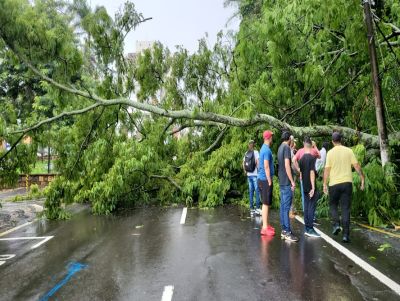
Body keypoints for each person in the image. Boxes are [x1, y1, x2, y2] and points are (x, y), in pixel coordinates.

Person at [323, 132, 365, 243]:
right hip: (347, 183)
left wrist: (324, 184)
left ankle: (336, 224)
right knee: (346, 209)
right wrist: (362, 178)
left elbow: (327, 170)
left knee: (333, 205)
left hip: (334, 184)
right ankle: (346, 235)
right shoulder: (349, 151)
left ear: (332, 141)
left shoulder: (330, 153)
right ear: (341, 140)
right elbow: (356, 166)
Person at [277, 131, 299, 242]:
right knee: (286, 207)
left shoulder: (280, 147)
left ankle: (283, 230)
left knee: (282, 206)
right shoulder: (286, 148)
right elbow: (287, 165)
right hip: (286, 181)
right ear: (289, 139)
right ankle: (287, 232)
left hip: (281, 180)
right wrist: (292, 181)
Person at [299, 137, 320, 238]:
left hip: (304, 185)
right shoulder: (312, 158)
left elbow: (300, 171)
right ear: (311, 145)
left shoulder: (302, 159)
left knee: (306, 207)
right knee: (311, 207)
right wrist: (313, 187)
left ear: (304, 145)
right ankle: (310, 229)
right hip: (310, 185)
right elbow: (312, 172)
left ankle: (307, 228)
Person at [292, 141, 321, 212]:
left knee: (304, 197)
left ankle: (306, 214)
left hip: (303, 177)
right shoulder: (313, 150)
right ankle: (312, 215)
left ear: (303, 143)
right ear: (311, 144)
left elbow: (293, 160)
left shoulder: (299, 151)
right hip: (312, 177)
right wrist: (315, 146)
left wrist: (299, 169)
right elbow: (320, 156)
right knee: (312, 196)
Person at [258, 130, 275, 236]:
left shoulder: (263, 148)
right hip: (265, 180)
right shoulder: (266, 150)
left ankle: (266, 224)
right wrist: (269, 180)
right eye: (272, 136)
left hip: (262, 179)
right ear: (268, 138)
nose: (272, 138)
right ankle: (264, 228)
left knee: (267, 203)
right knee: (265, 203)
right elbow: (266, 166)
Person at [242, 140, 261, 217]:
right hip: (255, 175)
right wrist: (259, 171)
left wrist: (245, 171)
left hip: (249, 175)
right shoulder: (256, 152)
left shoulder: (246, 153)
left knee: (251, 191)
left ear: (249, 145)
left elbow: (243, 163)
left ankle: (251, 208)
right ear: (253, 145)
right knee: (257, 191)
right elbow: (257, 162)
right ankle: (257, 208)